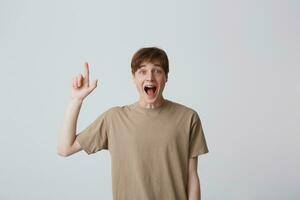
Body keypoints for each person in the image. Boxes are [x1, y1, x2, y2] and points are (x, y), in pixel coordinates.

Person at [57, 47, 209, 200]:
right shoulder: (114, 119)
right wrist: (76, 100)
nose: (150, 77)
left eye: (157, 70)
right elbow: (65, 148)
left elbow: (192, 177)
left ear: (166, 77)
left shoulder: (188, 118)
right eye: (142, 71)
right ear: (134, 78)